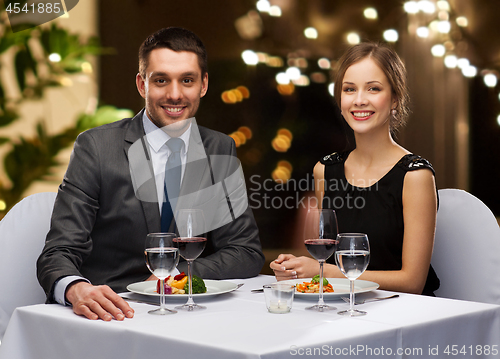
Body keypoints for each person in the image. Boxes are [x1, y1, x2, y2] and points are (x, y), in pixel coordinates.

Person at [37, 27, 265, 321]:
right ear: (142, 85)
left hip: (194, 314)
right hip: (113, 314)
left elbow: (245, 252)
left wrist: (174, 277)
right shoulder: (96, 147)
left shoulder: (220, 148)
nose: (174, 94)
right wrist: (76, 288)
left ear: (204, 84)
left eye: (187, 80)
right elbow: (58, 252)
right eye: (161, 80)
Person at [271, 42, 440, 295]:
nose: (360, 100)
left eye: (373, 89)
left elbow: (412, 282)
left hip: (404, 315)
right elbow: (328, 257)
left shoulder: (415, 175)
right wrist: (295, 269)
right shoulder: (325, 171)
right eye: (349, 89)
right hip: (342, 311)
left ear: (395, 98)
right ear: (340, 100)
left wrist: (322, 272)